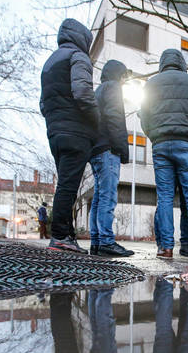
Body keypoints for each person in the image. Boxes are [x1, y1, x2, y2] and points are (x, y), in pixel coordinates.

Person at [141, 48, 188, 261]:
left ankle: (165, 248)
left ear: (163, 63)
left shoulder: (151, 84)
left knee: (164, 197)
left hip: (161, 145)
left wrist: (155, 136)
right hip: (187, 144)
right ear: (181, 62)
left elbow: (144, 117)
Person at [40, 18, 98, 253]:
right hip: (75, 131)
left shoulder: (51, 61)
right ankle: (62, 235)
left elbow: (43, 103)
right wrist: (96, 121)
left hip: (55, 130)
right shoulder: (78, 57)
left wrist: (55, 121)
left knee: (64, 183)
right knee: (68, 185)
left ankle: (66, 233)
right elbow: (83, 92)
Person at [89, 59, 134, 257]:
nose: (124, 82)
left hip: (96, 149)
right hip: (108, 149)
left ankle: (97, 242)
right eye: (124, 77)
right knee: (108, 197)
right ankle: (106, 241)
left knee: (99, 198)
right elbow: (116, 119)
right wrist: (122, 149)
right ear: (119, 74)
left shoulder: (98, 90)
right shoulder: (113, 88)